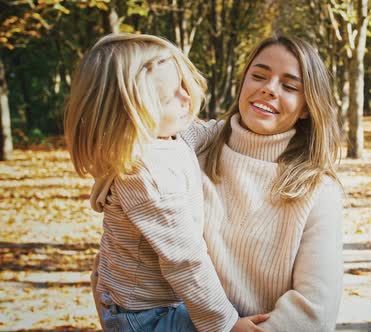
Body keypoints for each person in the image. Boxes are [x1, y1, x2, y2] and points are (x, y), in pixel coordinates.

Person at [92, 34, 344, 331]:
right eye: (259, 76)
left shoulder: (317, 190)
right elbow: (131, 133)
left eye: (289, 86)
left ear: (306, 106)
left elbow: (315, 308)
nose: (268, 89)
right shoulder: (189, 147)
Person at [64, 33, 267, 332]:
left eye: (183, 85)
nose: (186, 98)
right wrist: (226, 324)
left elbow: (205, 133)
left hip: (139, 298)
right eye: (171, 95)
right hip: (144, 316)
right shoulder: (146, 173)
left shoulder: (166, 137)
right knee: (256, 315)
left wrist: (247, 124)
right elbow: (184, 258)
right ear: (132, 112)